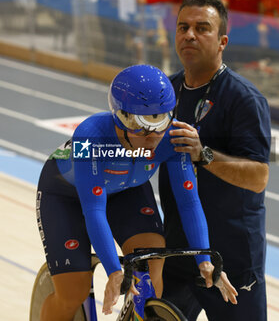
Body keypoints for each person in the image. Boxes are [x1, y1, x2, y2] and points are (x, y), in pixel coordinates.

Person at [36, 64, 237, 321]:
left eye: (160, 121)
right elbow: (93, 209)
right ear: (121, 117)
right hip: (67, 197)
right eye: (141, 126)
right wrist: (113, 271)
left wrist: (205, 262)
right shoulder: (89, 137)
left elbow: (189, 202)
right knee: (72, 293)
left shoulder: (176, 136)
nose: (152, 136)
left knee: (152, 268)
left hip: (126, 192)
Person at [159, 0, 271, 321]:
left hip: (232, 258)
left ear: (222, 41)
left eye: (201, 28)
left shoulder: (245, 99)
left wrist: (202, 153)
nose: (189, 35)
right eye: (183, 27)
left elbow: (259, 176)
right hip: (179, 252)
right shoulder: (165, 91)